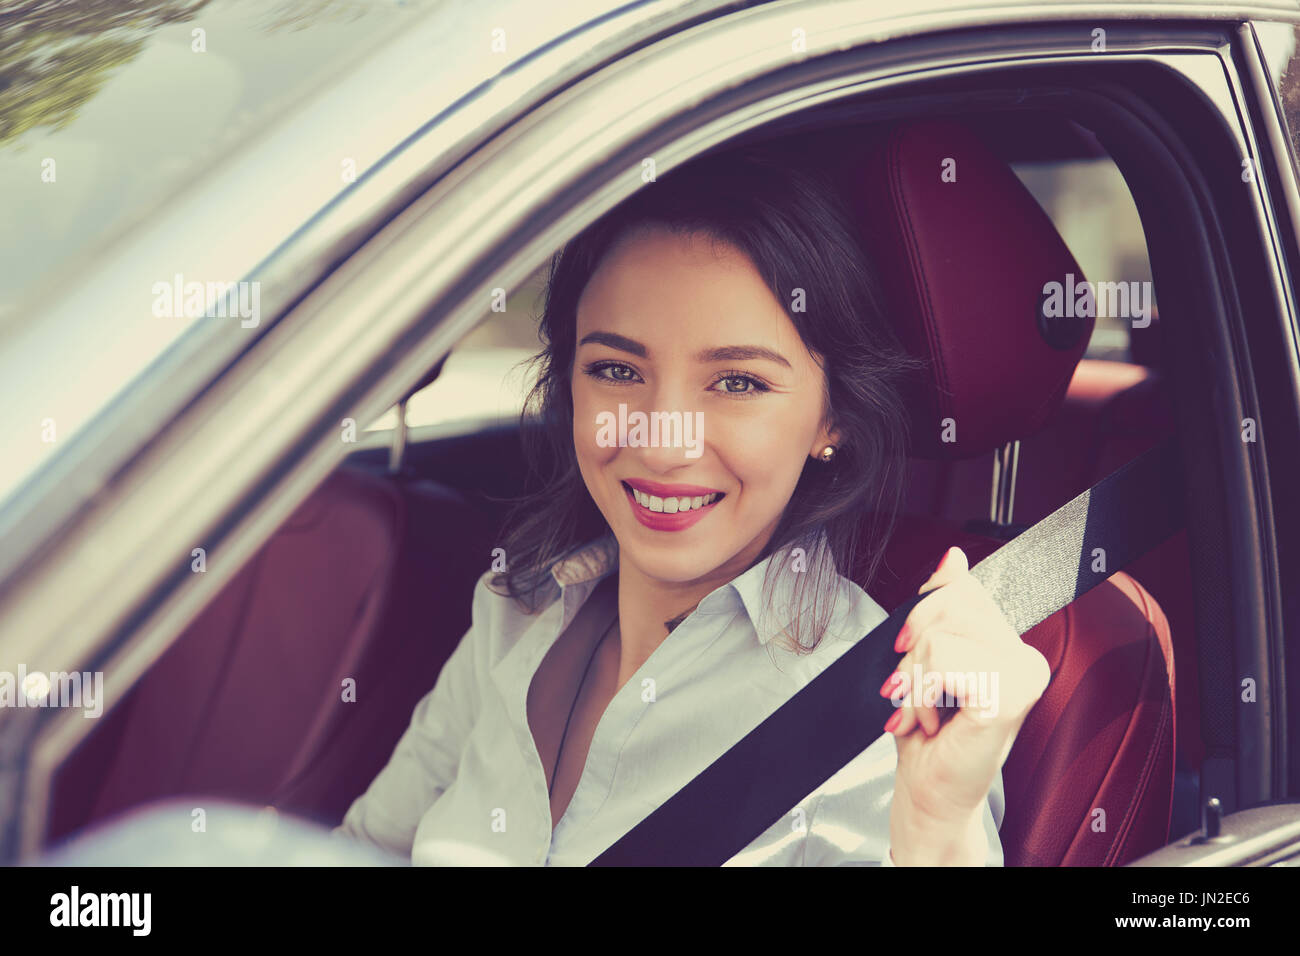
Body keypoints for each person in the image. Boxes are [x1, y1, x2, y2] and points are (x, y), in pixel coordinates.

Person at [334, 147, 1051, 866]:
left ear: (832, 420)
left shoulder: (873, 712)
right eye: (617, 371)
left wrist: (935, 833)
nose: (663, 442)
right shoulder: (513, 611)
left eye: (737, 383)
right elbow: (362, 853)